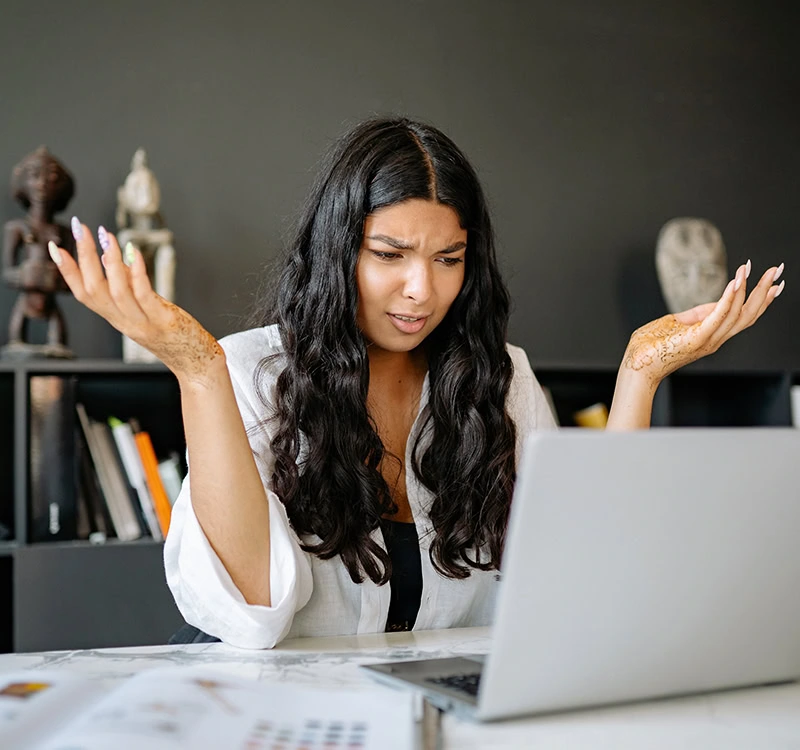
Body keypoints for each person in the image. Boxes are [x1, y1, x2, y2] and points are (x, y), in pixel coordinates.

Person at [47, 117, 784, 649]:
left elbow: (581, 588)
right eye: (390, 253)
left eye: (449, 259)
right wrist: (198, 372)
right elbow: (254, 613)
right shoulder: (248, 370)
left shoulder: (501, 381)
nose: (420, 292)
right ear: (339, 250)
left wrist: (639, 374)